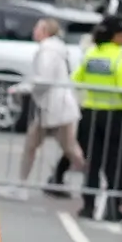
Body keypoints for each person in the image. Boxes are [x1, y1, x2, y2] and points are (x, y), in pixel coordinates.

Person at [69, 16, 122, 219]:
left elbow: (76, 79)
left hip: (91, 115)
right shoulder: (121, 57)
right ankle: (112, 208)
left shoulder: (91, 54)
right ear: (117, 36)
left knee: (92, 164)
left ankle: (88, 207)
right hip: (115, 116)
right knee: (116, 164)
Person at [13, 10, 83, 197]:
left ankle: (98, 183)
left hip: (56, 107)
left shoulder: (47, 50)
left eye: (37, 27)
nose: (34, 30)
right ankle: (21, 186)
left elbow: (43, 79)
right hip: (53, 107)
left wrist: (22, 88)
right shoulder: (55, 48)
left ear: (45, 31)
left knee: (70, 149)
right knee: (35, 145)